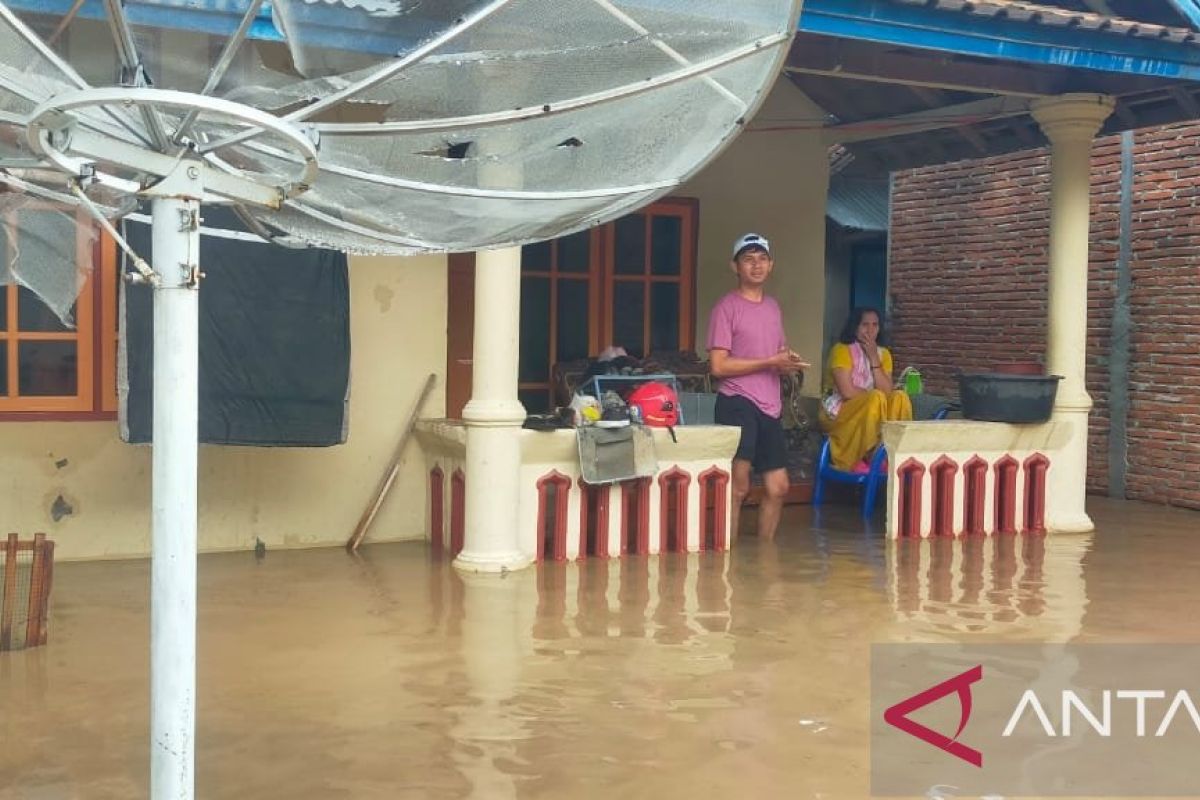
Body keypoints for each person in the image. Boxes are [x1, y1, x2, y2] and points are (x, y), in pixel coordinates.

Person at [707, 233, 808, 540]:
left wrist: (787, 361)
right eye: (748, 259)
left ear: (771, 265)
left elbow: (775, 352)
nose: (756, 265)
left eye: (762, 258)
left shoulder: (773, 308)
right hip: (737, 401)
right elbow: (718, 367)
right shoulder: (726, 307)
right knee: (738, 488)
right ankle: (729, 563)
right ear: (735, 266)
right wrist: (768, 361)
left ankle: (765, 562)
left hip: (770, 405)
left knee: (779, 488)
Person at [820, 307, 912, 472]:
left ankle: (891, 454)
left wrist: (873, 358)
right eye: (865, 325)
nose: (870, 330)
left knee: (900, 397)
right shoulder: (842, 349)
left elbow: (888, 391)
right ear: (855, 326)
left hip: (873, 406)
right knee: (876, 397)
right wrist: (874, 397)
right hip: (838, 409)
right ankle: (865, 456)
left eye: (875, 325)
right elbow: (846, 391)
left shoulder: (884, 354)